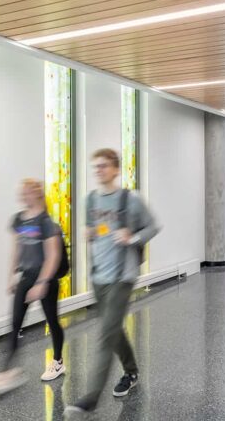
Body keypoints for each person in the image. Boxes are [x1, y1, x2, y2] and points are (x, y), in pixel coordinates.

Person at [64, 148, 159, 417]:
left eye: (104, 166)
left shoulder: (131, 200)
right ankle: (131, 371)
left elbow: (153, 226)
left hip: (122, 275)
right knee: (113, 329)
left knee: (106, 334)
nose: (99, 171)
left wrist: (133, 237)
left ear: (116, 169)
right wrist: (89, 233)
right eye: (96, 167)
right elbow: (94, 231)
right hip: (99, 277)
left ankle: (91, 398)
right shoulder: (90, 200)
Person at [0, 179, 66, 393]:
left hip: (46, 277)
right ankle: (7, 371)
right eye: (21, 192)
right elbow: (16, 250)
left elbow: (53, 256)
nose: (22, 196)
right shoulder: (18, 219)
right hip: (26, 277)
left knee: (52, 321)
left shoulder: (47, 223)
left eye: (26, 192)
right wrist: (11, 277)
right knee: (15, 324)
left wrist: (42, 283)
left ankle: (58, 361)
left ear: (36, 194)